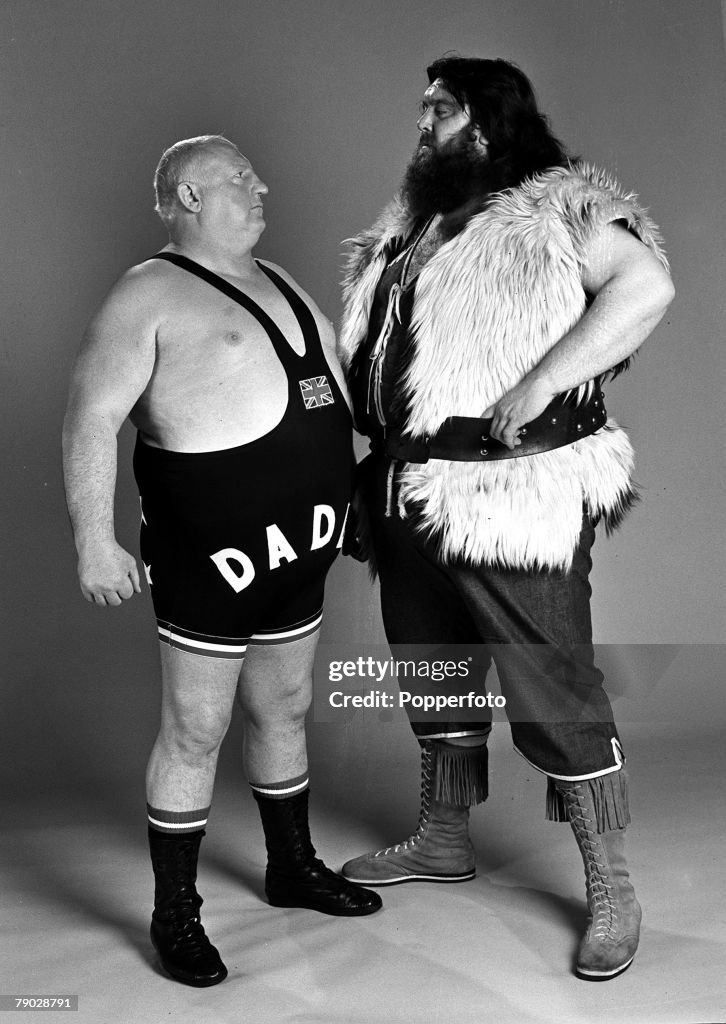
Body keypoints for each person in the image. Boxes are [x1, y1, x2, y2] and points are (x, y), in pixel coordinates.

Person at [338, 57, 674, 980]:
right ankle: (444, 837)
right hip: (408, 489)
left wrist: (543, 381)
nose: (422, 126)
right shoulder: (413, 226)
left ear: (485, 124)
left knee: (553, 685)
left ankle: (612, 887)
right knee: (436, 671)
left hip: (511, 498)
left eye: (439, 111)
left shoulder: (559, 209)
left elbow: (646, 287)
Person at [62, 134, 381, 988]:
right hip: (212, 559)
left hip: (300, 549)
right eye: (240, 175)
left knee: (285, 707)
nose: (261, 184)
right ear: (189, 195)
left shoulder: (282, 281)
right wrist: (95, 539)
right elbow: (91, 417)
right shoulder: (147, 293)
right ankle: (176, 912)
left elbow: (335, 401)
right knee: (195, 728)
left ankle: (292, 866)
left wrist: (360, 494)